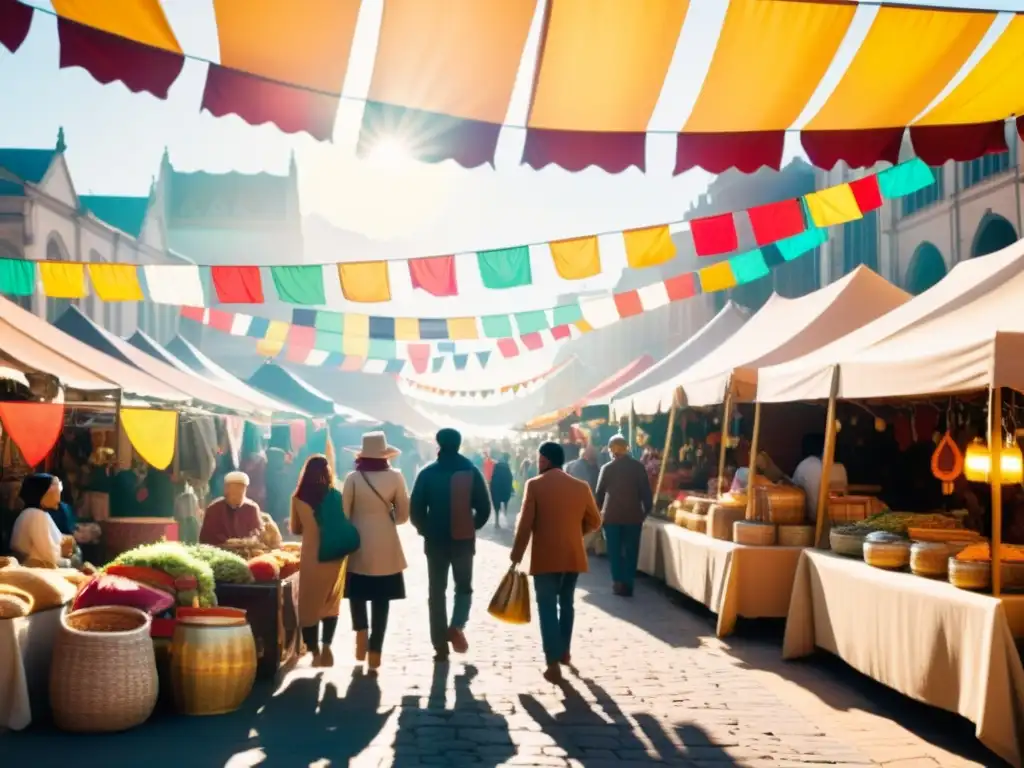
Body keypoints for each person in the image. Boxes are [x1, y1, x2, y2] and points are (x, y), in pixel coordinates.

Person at [510, 442, 601, 684]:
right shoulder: (581, 487)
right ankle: (564, 651)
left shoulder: (535, 485)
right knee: (567, 603)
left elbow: (525, 525)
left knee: (547, 607)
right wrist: (573, 533)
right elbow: (595, 521)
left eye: (540, 459)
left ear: (548, 460)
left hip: (545, 556)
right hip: (572, 555)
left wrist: (516, 555)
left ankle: (552, 662)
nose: (538, 463)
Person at [410, 428, 491, 662]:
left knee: (436, 593)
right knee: (463, 587)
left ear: (438, 444)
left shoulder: (427, 473)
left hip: (435, 542)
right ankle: (457, 625)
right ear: (459, 444)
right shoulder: (471, 470)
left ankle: (439, 647)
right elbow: (484, 508)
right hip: (463, 542)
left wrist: (426, 530)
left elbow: (416, 510)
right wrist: (470, 526)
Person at [342, 432, 411, 671]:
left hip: (358, 542)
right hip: (386, 544)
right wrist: (389, 516)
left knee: (357, 592)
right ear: (385, 454)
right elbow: (403, 515)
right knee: (382, 600)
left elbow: (344, 514)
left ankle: (361, 632)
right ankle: (376, 650)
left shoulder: (353, 478)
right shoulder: (396, 477)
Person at [290, 454, 346, 667]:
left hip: (311, 556)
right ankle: (327, 646)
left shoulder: (297, 499)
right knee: (331, 602)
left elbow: (296, 529)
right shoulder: (336, 496)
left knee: (308, 603)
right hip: (334, 555)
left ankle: (313, 651)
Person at [596, 435, 653, 597]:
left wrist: (598, 512)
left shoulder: (607, 468)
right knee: (631, 551)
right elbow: (646, 493)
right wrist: (645, 511)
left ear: (611, 450)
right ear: (627, 449)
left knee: (614, 551)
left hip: (612, 516)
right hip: (633, 516)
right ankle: (628, 583)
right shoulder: (638, 467)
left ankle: (617, 581)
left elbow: (599, 495)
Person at [10, 474, 71, 568]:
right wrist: (63, 550)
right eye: (55, 493)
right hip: (36, 569)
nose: (58, 499)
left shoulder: (38, 513)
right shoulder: (36, 515)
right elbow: (50, 557)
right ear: (43, 494)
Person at [792, 433, 849, 522]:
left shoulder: (804, 465)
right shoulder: (840, 468)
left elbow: (793, 489)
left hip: (811, 521)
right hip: (838, 521)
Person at [199, 471, 264, 547]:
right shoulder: (214, 508)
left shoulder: (252, 508)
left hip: (247, 549)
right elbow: (207, 537)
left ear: (245, 491)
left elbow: (257, 532)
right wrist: (227, 542)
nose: (234, 497)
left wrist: (246, 541)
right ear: (225, 490)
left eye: (238, 492)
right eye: (232, 492)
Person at [489, 453, 514, 529]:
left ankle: (497, 522)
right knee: (505, 502)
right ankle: (505, 516)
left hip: (496, 487)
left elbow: (493, 476)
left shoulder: (497, 465)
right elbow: (510, 477)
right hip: (504, 488)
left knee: (497, 506)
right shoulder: (506, 466)